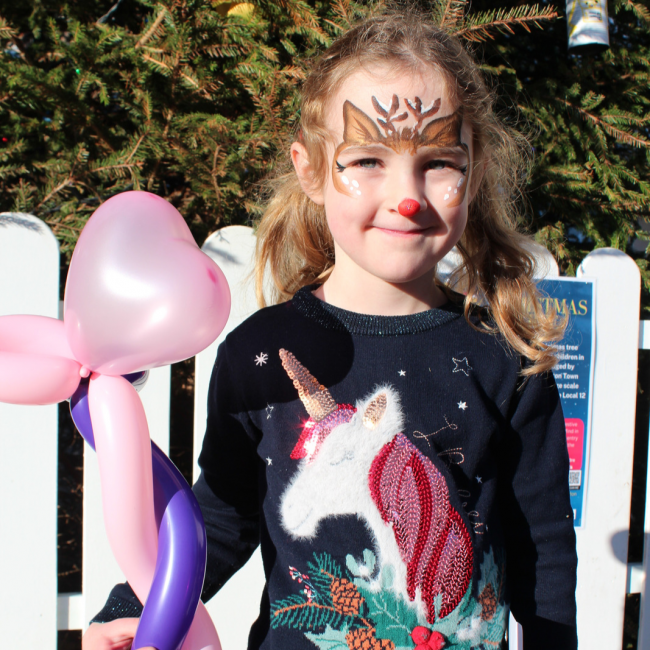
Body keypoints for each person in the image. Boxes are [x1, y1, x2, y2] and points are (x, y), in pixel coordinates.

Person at [83, 7, 578, 650]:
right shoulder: (259, 353)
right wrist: (134, 607)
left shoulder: (502, 358)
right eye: (368, 159)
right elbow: (221, 514)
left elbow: (543, 545)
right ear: (312, 170)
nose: (408, 195)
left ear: (474, 171)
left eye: (438, 163)